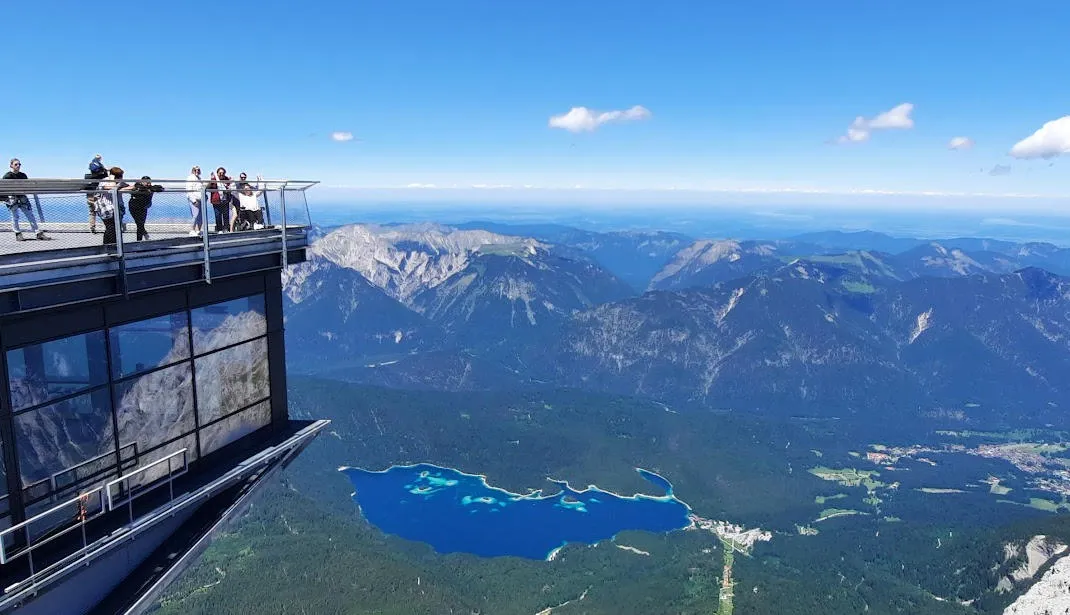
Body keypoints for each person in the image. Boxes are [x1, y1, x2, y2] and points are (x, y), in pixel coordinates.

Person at [2, 159, 48, 241]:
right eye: (16, 164)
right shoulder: (7, 176)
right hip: (12, 198)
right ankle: (18, 234)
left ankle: (37, 233)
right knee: (15, 217)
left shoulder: (23, 175)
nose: (18, 166)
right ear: (11, 165)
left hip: (22, 197)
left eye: (19, 164)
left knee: (30, 215)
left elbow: (27, 186)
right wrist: (5, 199)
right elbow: (2, 188)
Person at [96, 167, 133, 245]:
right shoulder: (105, 181)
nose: (121, 178)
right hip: (107, 209)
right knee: (111, 228)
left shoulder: (120, 182)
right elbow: (111, 188)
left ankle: (114, 246)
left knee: (115, 229)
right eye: (120, 176)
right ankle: (108, 246)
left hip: (117, 208)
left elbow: (130, 187)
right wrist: (112, 179)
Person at [128, 176, 163, 241]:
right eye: (146, 182)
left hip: (143, 207)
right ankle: (140, 240)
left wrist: (150, 189)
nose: (148, 184)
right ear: (142, 182)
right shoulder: (137, 186)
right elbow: (137, 189)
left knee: (140, 224)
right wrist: (147, 190)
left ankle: (141, 239)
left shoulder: (151, 187)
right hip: (134, 207)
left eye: (149, 182)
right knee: (139, 224)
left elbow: (160, 188)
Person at [85, 154, 107, 233]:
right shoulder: (96, 166)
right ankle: (106, 226)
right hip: (97, 193)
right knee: (102, 210)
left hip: (91, 192)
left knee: (92, 211)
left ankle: (92, 227)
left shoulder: (89, 180)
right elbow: (97, 170)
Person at [208, 167, 232, 233]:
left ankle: (226, 229)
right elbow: (208, 188)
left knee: (226, 216)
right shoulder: (214, 179)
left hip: (225, 200)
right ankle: (219, 229)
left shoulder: (226, 179)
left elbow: (231, 187)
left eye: (223, 173)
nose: (221, 174)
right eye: (220, 173)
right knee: (218, 216)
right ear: (217, 173)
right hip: (216, 201)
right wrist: (211, 180)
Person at [185, 165, 203, 236]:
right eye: (195, 170)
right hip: (195, 200)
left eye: (198, 170)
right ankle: (192, 230)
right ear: (192, 170)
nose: (197, 171)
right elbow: (189, 190)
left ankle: (199, 230)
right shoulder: (190, 178)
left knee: (200, 216)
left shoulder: (199, 178)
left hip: (200, 199)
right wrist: (193, 200)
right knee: (195, 215)